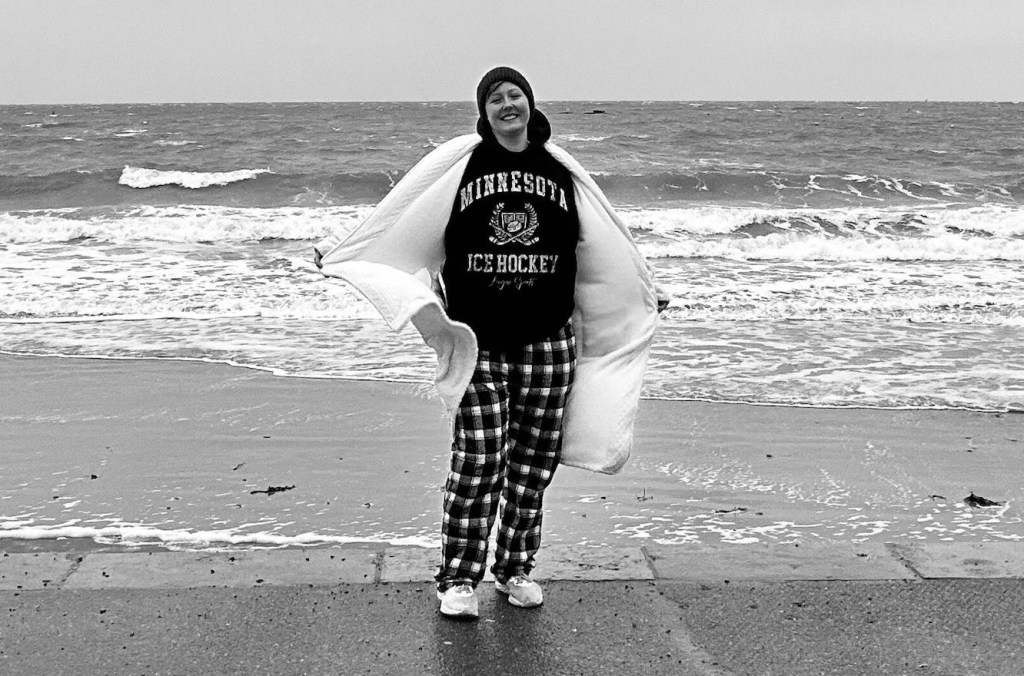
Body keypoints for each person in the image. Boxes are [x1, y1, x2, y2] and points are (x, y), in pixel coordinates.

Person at [314, 66, 661, 621]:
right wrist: (346, 253)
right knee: (477, 463)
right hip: (481, 343)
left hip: (549, 344)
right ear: (484, 112)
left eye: (514, 94)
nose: (506, 104)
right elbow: (402, 219)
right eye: (495, 98)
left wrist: (638, 291)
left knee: (532, 467)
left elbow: (602, 249)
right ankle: (458, 578)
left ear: (530, 103)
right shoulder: (461, 168)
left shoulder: (560, 170)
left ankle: (514, 569)